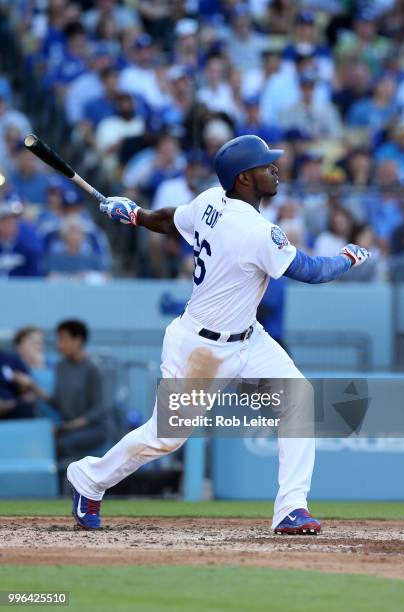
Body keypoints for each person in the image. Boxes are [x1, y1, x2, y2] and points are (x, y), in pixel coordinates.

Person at [67, 134, 370, 531]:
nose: (275, 169)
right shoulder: (257, 232)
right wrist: (347, 256)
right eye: (266, 165)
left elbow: (171, 219)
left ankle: (291, 508)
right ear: (244, 178)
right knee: (165, 437)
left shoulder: (211, 200)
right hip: (200, 347)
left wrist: (138, 214)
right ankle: (88, 478)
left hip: (249, 337)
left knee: (300, 398)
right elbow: (313, 271)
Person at [27, 320, 108, 461]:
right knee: (37, 442)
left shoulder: (92, 369)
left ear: (78, 340)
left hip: (92, 429)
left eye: (63, 339)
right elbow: (58, 402)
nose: (59, 345)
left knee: (60, 445)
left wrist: (69, 426)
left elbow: (98, 411)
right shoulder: (60, 367)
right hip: (67, 429)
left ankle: (70, 482)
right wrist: (33, 386)